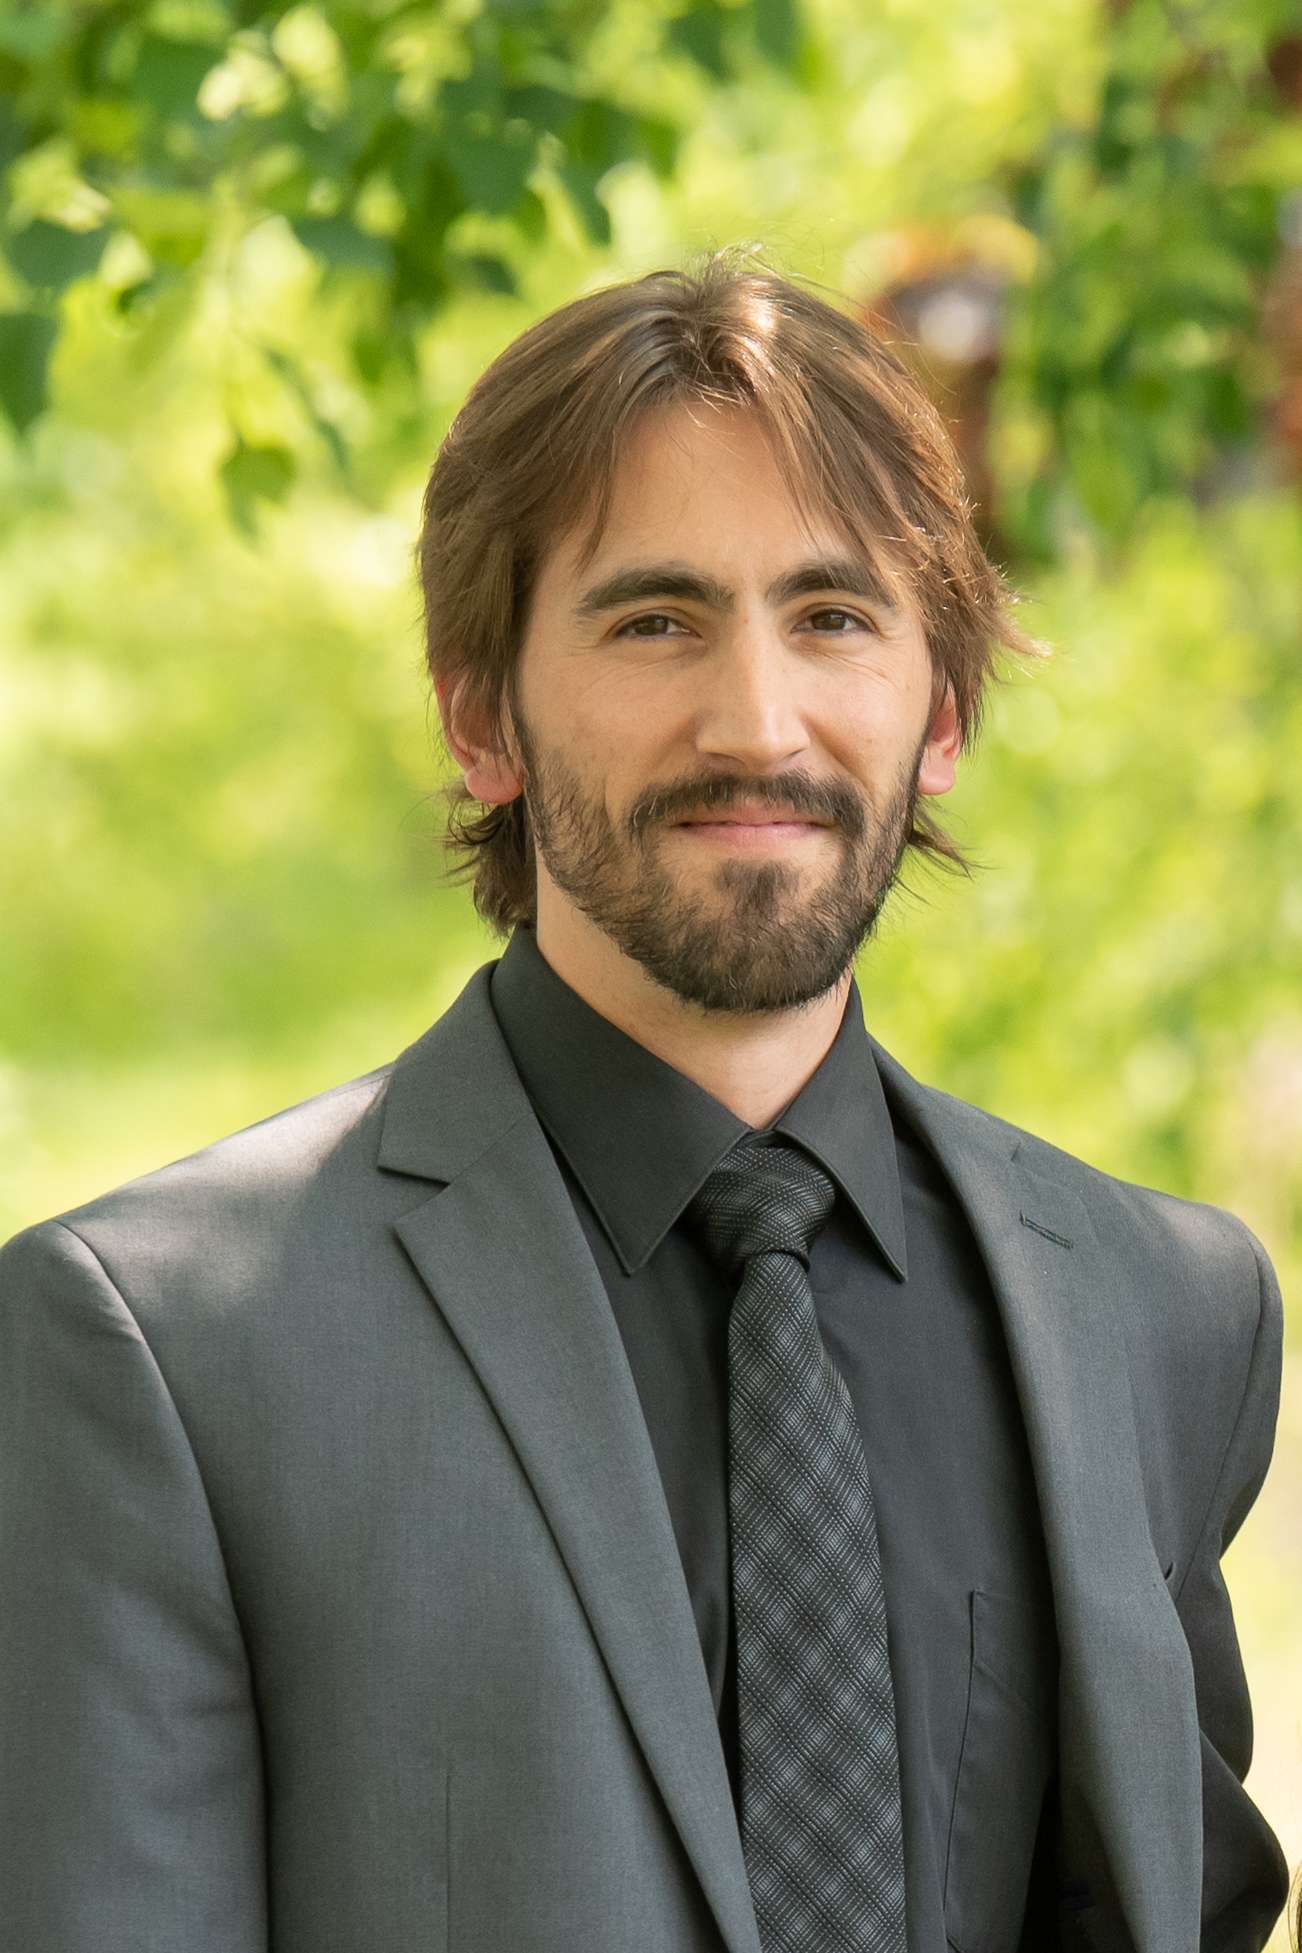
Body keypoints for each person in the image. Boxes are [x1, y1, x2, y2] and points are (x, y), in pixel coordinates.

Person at [0, 250, 1288, 1953]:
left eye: (832, 616)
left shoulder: (1161, 1310)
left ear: (944, 711)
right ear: (481, 719)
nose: (754, 721)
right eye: (654, 619)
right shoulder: (161, 1347)